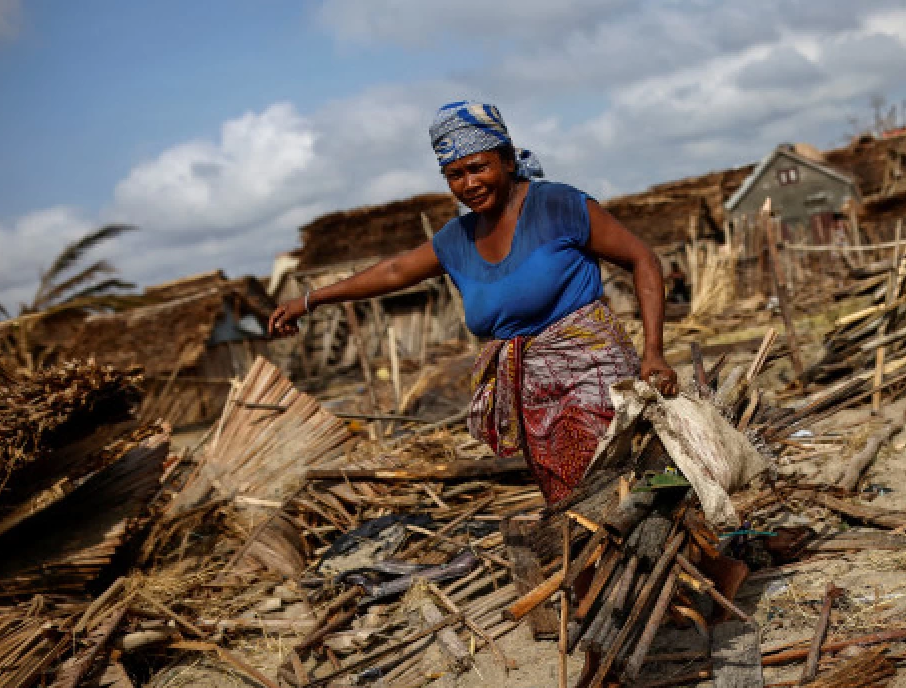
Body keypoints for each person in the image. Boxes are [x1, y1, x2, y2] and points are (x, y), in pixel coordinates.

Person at [270, 101, 678, 505]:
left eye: (478, 167)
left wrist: (654, 352)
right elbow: (394, 271)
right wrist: (310, 300)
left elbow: (642, 258)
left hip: (592, 372)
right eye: (455, 175)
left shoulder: (557, 206)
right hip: (529, 388)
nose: (469, 184)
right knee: (568, 499)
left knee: (610, 486)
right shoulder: (456, 238)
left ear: (506, 160)